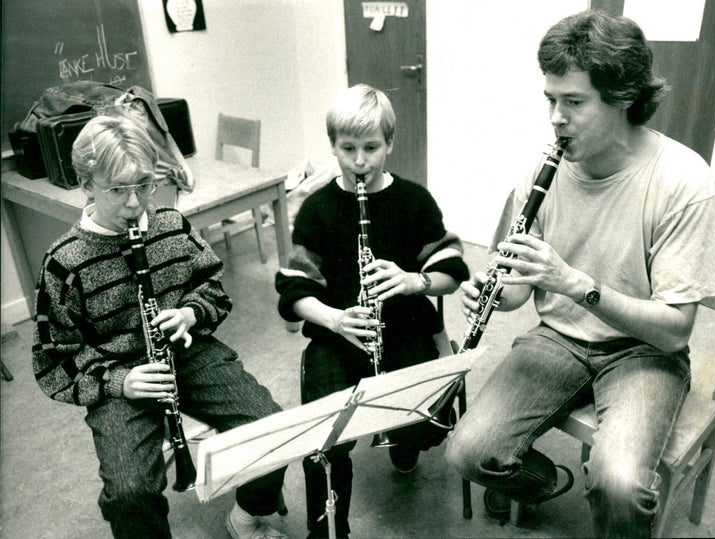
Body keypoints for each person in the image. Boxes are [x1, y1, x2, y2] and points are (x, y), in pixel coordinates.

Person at [445, 10, 715, 538]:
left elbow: (674, 329)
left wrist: (575, 283)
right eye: (550, 100)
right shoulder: (542, 168)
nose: (555, 117)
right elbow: (519, 292)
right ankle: (547, 483)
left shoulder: (684, 180)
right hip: (559, 337)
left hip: (644, 351)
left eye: (573, 102)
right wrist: (494, 292)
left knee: (619, 485)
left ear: (623, 99)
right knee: (467, 452)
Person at [32, 114, 288, 539]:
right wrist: (120, 382)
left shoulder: (171, 225)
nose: (135, 204)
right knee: (130, 493)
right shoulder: (65, 262)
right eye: (117, 190)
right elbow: (53, 364)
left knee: (269, 425)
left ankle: (248, 516)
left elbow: (213, 289)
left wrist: (190, 312)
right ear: (87, 185)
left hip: (186, 353)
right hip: (118, 375)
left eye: (144, 185)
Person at [275, 84, 470, 538]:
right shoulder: (318, 208)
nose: (359, 161)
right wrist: (336, 319)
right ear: (333, 147)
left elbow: (452, 269)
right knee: (322, 441)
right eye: (347, 149)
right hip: (338, 334)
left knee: (426, 426)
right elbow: (293, 291)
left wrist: (413, 281)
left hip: (405, 330)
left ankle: (406, 442)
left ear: (390, 145)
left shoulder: (414, 200)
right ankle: (328, 532)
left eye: (371, 148)